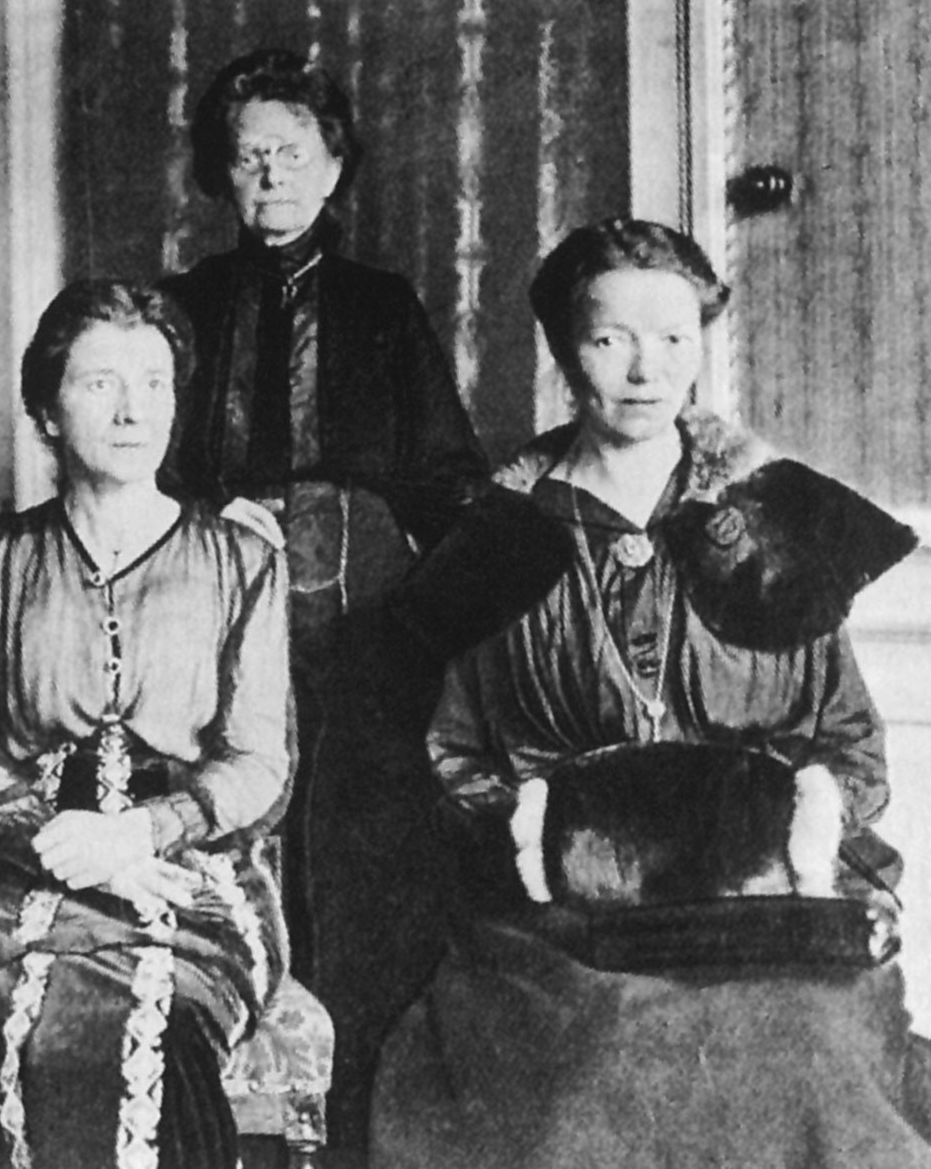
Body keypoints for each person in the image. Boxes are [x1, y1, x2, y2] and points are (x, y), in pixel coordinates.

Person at [370, 217, 931, 1167]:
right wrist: (546, 829)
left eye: (673, 338)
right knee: (606, 1050)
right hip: (565, 931)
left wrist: (802, 820)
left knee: (807, 1042)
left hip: (769, 913)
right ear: (563, 351)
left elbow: (853, 746)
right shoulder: (498, 541)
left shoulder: (772, 530)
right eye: (610, 339)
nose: (646, 370)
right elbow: (452, 754)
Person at [161, 46, 488, 1138]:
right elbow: (144, 466)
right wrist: (210, 517)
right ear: (220, 174)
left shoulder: (381, 306)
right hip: (215, 599)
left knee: (362, 850)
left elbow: (444, 473)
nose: (271, 177)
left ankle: (361, 1115)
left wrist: (453, 628)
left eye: (292, 154)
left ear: (334, 167)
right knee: (233, 822)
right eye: (247, 157)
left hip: (363, 609)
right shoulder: (187, 303)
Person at [0, 281, 293, 1169]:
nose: (133, 409)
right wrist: (61, 841)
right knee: (36, 1031)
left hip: (195, 878)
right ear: (47, 410)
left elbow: (258, 760)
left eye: (156, 382)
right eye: (99, 383)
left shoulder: (240, 558)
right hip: (24, 873)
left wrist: (142, 836)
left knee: (156, 1038)